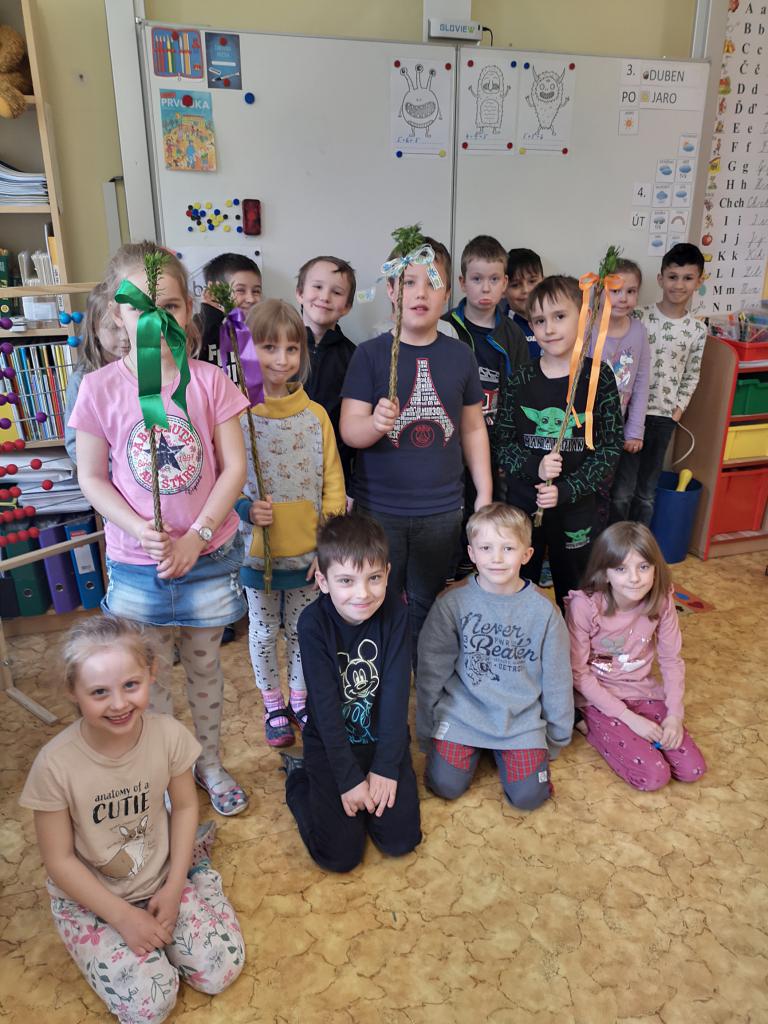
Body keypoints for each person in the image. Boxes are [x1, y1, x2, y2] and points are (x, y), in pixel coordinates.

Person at [69, 241, 251, 817]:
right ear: (116, 314)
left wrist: (198, 534)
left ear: (188, 310)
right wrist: (138, 527)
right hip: (137, 564)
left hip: (207, 558)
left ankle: (209, 762)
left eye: (168, 306)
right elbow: (92, 477)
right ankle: (170, 772)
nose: (154, 319)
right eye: (140, 308)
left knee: (205, 668)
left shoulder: (210, 382)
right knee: (150, 679)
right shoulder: (99, 389)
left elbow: (234, 468)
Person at [19, 616, 245, 1023]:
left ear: (151, 672)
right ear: (72, 690)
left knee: (220, 971)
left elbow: (185, 807)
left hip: (160, 877)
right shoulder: (54, 766)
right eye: (99, 692)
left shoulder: (169, 735)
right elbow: (59, 860)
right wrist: (122, 917)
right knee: (150, 1007)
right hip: (90, 900)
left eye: (130, 685)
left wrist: (175, 886)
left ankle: (199, 872)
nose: (119, 704)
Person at [340, 237, 493, 658]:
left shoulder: (461, 356)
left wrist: (484, 493)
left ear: (448, 293)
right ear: (391, 290)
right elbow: (349, 430)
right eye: (409, 282)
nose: (420, 293)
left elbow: (472, 429)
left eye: (433, 282)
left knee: (426, 601)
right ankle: (381, 675)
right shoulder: (369, 355)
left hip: (441, 511)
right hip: (379, 509)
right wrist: (374, 424)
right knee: (377, 601)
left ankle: (421, 676)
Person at [282, 513, 421, 872]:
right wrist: (347, 778)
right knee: (340, 856)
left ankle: (365, 795)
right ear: (323, 581)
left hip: (381, 740)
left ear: (388, 573)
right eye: (346, 580)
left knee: (400, 840)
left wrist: (386, 767)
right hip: (331, 744)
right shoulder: (312, 624)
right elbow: (325, 709)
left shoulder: (396, 613)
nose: (363, 593)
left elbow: (396, 696)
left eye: (374, 578)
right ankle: (299, 780)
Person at [237, 299, 346, 747]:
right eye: (269, 348)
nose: (282, 359)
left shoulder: (316, 415)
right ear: (249, 351)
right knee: (264, 633)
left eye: (291, 348)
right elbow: (222, 481)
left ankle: (300, 698)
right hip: (257, 556)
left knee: (304, 632)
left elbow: (333, 484)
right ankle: (273, 703)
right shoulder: (237, 414)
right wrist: (245, 510)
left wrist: (328, 547)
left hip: (308, 556)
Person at [416, 503, 573, 810]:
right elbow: (431, 672)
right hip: (462, 714)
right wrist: (427, 730)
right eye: (486, 548)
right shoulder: (451, 604)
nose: (497, 558)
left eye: (508, 548)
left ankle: (508, 753)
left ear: (527, 554)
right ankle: (474, 750)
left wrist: (555, 738)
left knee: (529, 797)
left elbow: (557, 679)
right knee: (444, 785)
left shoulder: (545, 613)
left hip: (520, 721)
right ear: (471, 553)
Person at [493, 275, 623, 611]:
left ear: (584, 317)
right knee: (519, 588)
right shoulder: (520, 379)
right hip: (524, 508)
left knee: (575, 593)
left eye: (559, 316)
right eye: (539, 320)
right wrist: (533, 466)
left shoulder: (598, 378)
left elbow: (609, 448)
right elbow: (502, 442)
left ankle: (572, 645)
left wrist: (566, 490)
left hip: (577, 511)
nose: (549, 328)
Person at [565, 521, 707, 791]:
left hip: (643, 691)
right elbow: (578, 673)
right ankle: (589, 727)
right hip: (598, 699)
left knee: (693, 770)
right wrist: (630, 719)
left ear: (656, 568)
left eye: (643, 567)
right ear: (605, 573)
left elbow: (671, 660)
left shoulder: (662, 600)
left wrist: (675, 715)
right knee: (654, 776)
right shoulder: (585, 606)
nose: (634, 578)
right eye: (621, 569)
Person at [618, 243, 705, 524]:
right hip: (631, 413)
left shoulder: (697, 330)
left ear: (699, 281)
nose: (679, 285)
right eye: (672, 277)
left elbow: (692, 373)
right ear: (660, 278)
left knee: (646, 492)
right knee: (622, 491)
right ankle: (615, 542)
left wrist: (678, 408)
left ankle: (640, 543)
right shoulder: (638, 316)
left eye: (687, 278)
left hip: (663, 416)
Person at [585, 258, 650, 526]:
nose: (623, 298)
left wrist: (634, 430)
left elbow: (642, 382)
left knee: (612, 491)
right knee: (586, 488)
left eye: (631, 291)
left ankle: (608, 539)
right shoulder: (588, 326)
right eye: (615, 290)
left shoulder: (639, 332)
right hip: (586, 426)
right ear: (601, 291)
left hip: (616, 429)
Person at [444, 235, 529, 428]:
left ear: (504, 283)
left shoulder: (514, 335)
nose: (486, 288)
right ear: (463, 283)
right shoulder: (444, 326)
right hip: (451, 434)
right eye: (477, 279)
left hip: (497, 437)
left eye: (494, 279)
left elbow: (521, 394)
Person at [296, 255, 357, 486]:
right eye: (318, 287)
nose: (325, 297)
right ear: (300, 293)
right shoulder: (275, 349)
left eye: (337, 292)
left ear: (347, 306)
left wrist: (350, 486)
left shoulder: (354, 357)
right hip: (281, 465)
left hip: (334, 473)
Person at [63, 281, 131, 462]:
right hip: (107, 473)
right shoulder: (82, 380)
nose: (125, 337)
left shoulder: (146, 370)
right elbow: (74, 445)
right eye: (113, 328)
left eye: (129, 326)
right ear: (94, 328)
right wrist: (117, 468)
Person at [195, 251, 263, 369]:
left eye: (256, 291)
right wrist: (211, 314)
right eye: (240, 290)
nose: (251, 299)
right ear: (215, 292)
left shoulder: (264, 329)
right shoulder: (199, 326)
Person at [503, 247, 544, 359]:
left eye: (532, 281)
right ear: (503, 288)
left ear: (544, 281)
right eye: (515, 285)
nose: (526, 290)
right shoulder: (501, 328)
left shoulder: (558, 320)